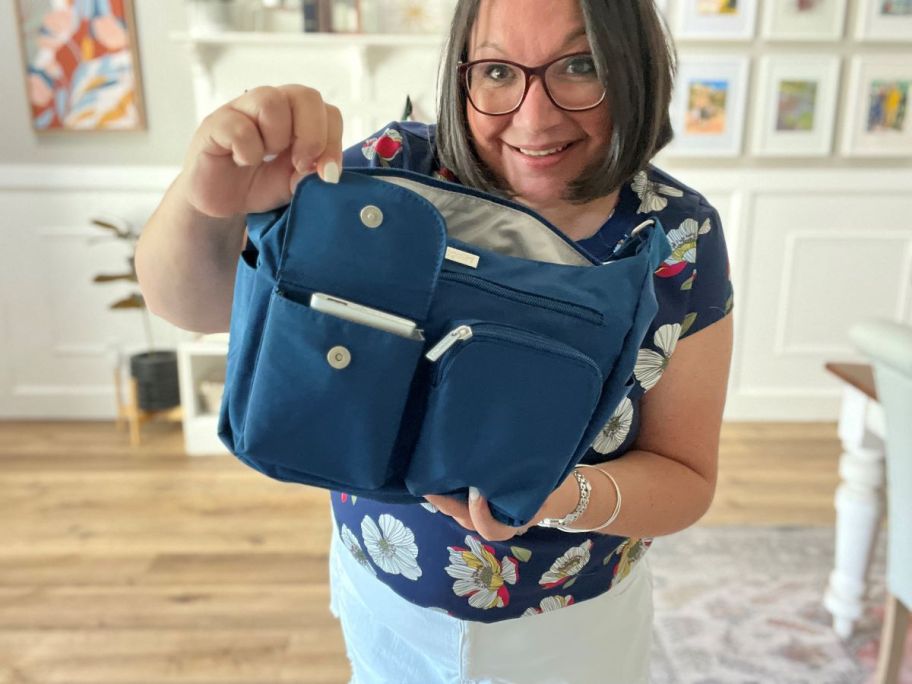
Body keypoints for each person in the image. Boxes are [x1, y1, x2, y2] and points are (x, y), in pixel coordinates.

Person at [136, 1, 734, 681]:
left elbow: (687, 479)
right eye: (498, 70)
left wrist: (556, 498)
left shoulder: (678, 237)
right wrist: (206, 193)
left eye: (580, 65)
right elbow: (196, 306)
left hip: (573, 626)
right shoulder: (393, 169)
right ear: (461, 74)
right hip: (380, 596)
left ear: (636, 68)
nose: (533, 117)